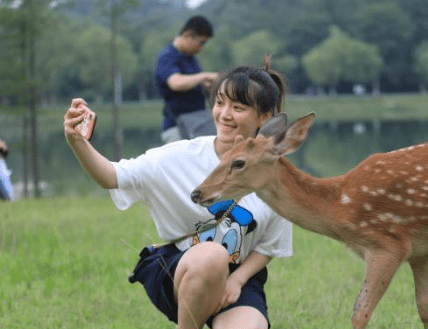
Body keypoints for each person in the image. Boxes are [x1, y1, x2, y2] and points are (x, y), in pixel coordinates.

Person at [63, 56, 292, 329]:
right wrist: (76, 142)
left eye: (238, 107)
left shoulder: (275, 177)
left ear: (265, 117)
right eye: (220, 103)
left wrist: (238, 280)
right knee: (211, 256)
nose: (224, 114)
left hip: (237, 277)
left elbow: (268, 246)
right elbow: (112, 176)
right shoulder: (180, 156)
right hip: (181, 268)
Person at [156, 15, 219, 144]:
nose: (201, 48)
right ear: (187, 34)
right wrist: (204, 76)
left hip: (198, 125)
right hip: (177, 129)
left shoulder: (191, 59)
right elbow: (176, 83)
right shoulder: (167, 57)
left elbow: (195, 83)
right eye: (201, 42)